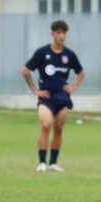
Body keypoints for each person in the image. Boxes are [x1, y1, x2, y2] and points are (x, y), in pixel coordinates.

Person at [21, 20, 85, 172]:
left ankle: (53, 163)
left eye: (63, 33)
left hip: (62, 98)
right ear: (52, 34)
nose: (61, 36)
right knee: (45, 125)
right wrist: (35, 90)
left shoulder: (69, 55)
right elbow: (25, 70)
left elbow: (81, 72)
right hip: (46, 97)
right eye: (58, 32)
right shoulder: (43, 53)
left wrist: (73, 86)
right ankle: (42, 162)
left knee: (58, 128)